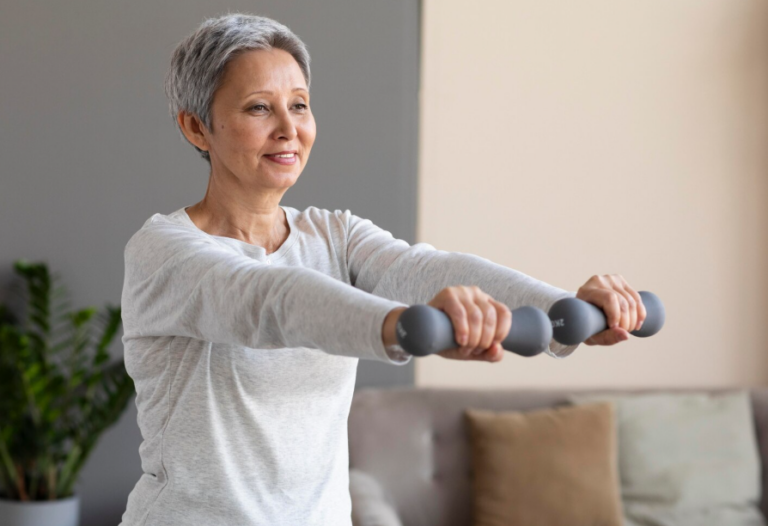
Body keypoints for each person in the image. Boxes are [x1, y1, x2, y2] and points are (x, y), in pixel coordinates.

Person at [118, 12, 646, 526]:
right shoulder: (164, 253)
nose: (288, 129)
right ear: (196, 127)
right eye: (260, 108)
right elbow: (270, 300)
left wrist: (562, 310)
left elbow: (427, 269)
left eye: (299, 105)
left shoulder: (334, 234)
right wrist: (405, 327)